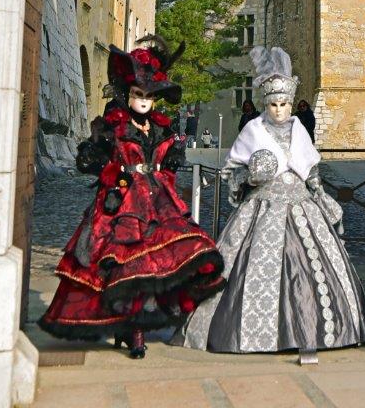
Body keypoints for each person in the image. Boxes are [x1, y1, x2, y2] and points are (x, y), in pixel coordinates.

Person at [39, 36, 225, 358]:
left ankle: (136, 325)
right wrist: (100, 158)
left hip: (157, 198)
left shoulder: (160, 129)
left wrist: (170, 158)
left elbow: (166, 158)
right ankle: (130, 327)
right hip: (123, 200)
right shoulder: (114, 125)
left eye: (149, 95)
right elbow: (91, 158)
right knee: (121, 263)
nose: (143, 100)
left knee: (164, 256)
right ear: (128, 93)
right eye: (138, 93)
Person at [177, 47, 365, 353]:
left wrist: (320, 194)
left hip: (301, 205)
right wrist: (252, 176)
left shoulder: (299, 130)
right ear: (265, 103)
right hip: (262, 206)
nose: (279, 110)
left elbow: (311, 170)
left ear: (290, 104)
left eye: (283, 104)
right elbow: (233, 172)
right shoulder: (253, 130)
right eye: (273, 104)